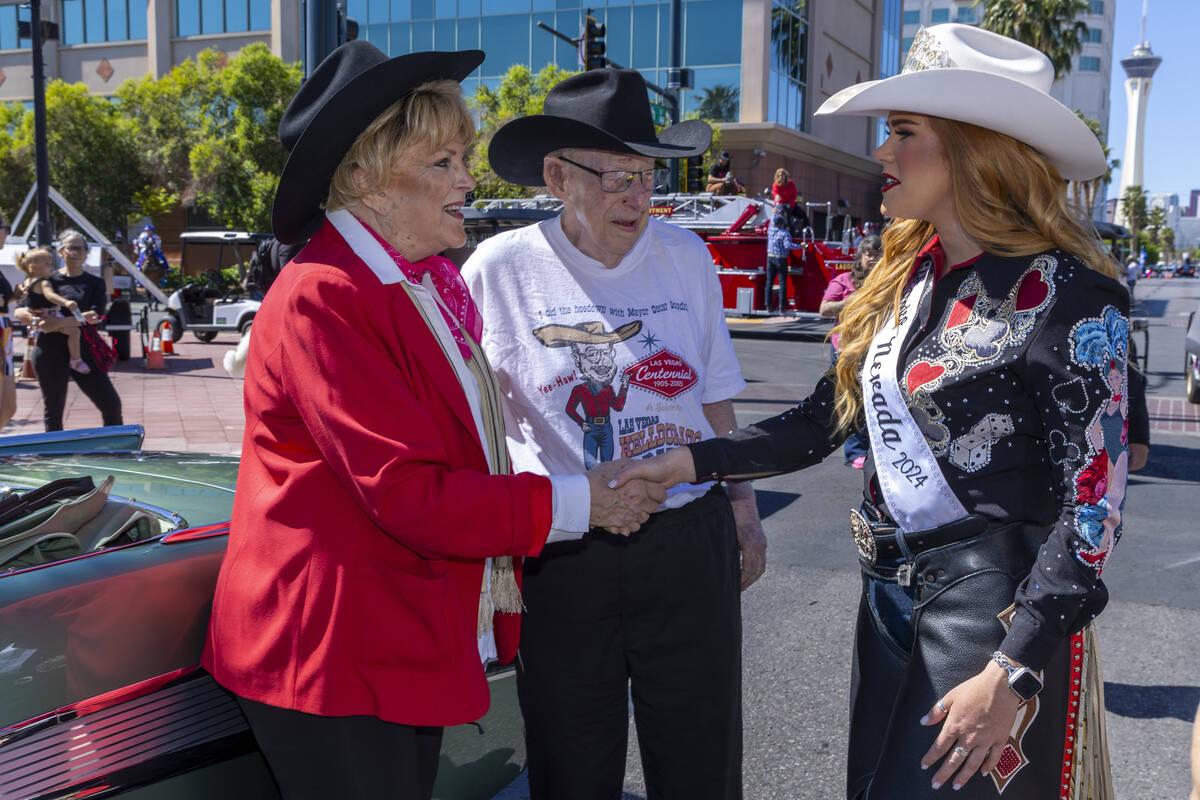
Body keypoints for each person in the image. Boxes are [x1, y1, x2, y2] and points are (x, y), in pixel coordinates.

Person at [616, 24, 1126, 800]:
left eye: (904, 133)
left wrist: (1013, 670)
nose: (882, 153)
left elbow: (1092, 510)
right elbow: (824, 421)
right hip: (885, 600)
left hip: (988, 623)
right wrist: (691, 461)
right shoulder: (903, 279)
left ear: (975, 147)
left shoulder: (1072, 297)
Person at [201, 43, 663, 800]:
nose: (466, 179)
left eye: (463, 157)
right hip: (331, 655)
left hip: (382, 639)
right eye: (442, 161)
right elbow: (409, 494)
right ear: (365, 178)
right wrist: (582, 502)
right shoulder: (328, 292)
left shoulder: (416, 283)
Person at [461, 68, 764, 800]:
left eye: (648, 177)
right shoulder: (498, 271)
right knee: (571, 761)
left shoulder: (685, 256)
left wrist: (743, 512)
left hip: (687, 540)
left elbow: (717, 396)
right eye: (619, 178)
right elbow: (473, 418)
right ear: (558, 177)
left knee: (700, 754)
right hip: (566, 554)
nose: (640, 198)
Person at [11, 230, 122, 431]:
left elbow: (94, 317)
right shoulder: (47, 280)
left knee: (111, 404)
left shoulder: (95, 283)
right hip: (49, 351)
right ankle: (53, 459)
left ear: (87, 253)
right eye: (71, 248)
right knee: (53, 411)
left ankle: (117, 452)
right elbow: (20, 310)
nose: (75, 252)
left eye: (80, 248)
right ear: (61, 252)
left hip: (84, 351)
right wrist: (36, 320)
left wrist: (58, 323)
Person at [820, 233, 882, 468]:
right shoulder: (845, 280)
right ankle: (854, 450)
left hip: (875, 347)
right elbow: (824, 308)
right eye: (869, 254)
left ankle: (870, 449)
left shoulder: (882, 280)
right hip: (847, 349)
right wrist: (853, 301)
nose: (874, 259)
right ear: (860, 256)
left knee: (872, 398)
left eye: (878, 254)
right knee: (851, 401)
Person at [15, 247, 90, 374]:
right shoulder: (44, 282)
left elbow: (21, 299)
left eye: (51, 263)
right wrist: (66, 302)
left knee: (75, 326)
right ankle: (76, 360)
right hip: (47, 316)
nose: (51, 266)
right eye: (47, 264)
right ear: (33, 267)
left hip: (36, 316)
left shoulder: (27, 281)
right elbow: (50, 296)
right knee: (75, 331)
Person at [0, 217, 15, 429]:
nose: (8, 233)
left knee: (8, 407)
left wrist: (14, 297)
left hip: (5, 329)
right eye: (6, 228)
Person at [766, 206, 793, 313]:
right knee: (782, 282)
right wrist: (801, 246)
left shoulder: (770, 230)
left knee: (769, 283)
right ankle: (782, 306)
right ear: (782, 224)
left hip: (770, 258)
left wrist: (776, 210)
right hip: (781, 259)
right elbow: (787, 246)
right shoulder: (785, 233)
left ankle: (768, 305)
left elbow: (773, 218)